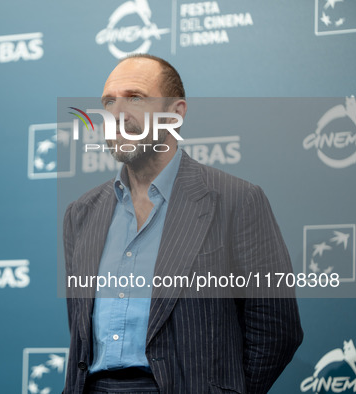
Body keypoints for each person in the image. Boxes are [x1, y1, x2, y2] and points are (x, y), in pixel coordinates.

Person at [62, 54, 303, 394]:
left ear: (175, 114)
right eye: (108, 101)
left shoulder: (236, 200)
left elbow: (276, 329)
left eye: (135, 98)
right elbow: (80, 334)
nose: (117, 113)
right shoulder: (80, 213)